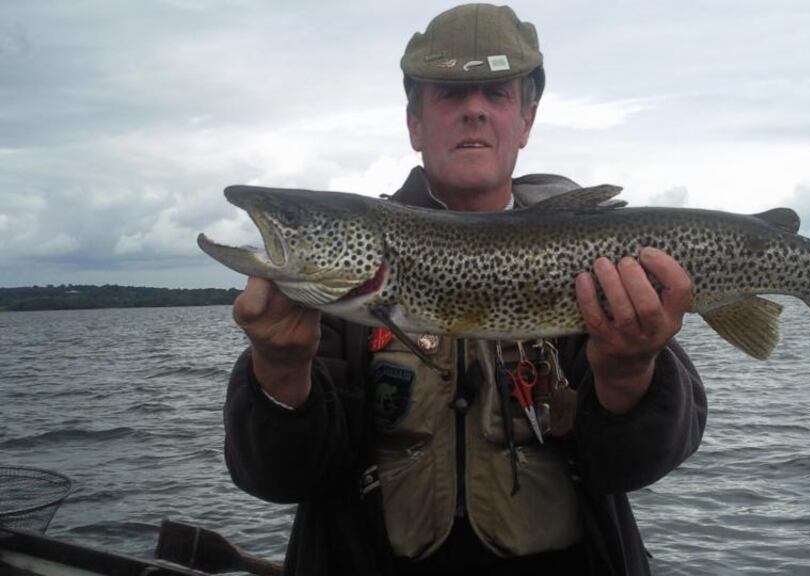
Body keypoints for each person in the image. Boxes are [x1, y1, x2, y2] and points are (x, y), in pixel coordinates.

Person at [224, 4, 707, 575]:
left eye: (495, 94)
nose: (473, 110)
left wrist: (629, 376)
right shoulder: (328, 303)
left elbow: (637, 466)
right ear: (415, 124)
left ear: (525, 121)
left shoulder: (600, 262)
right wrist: (279, 371)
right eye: (450, 95)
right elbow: (280, 479)